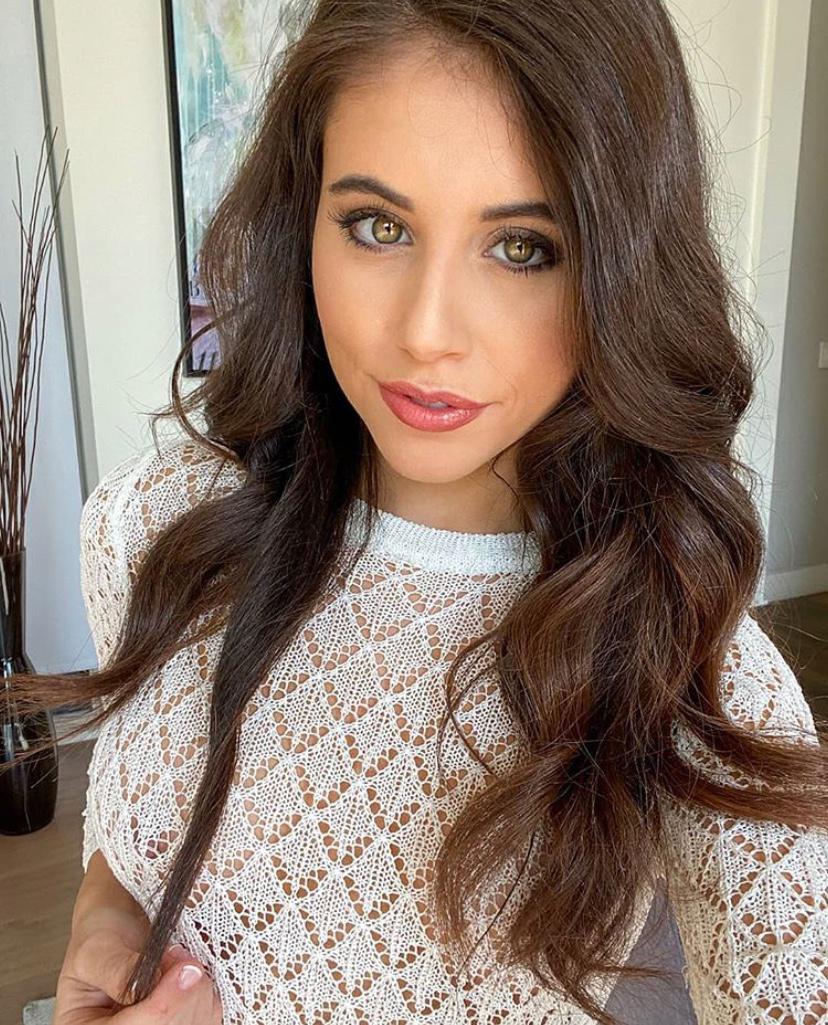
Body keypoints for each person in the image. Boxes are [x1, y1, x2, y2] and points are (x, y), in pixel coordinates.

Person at [7, 1, 827, 1023]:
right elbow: (133, 839)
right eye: (378, 226)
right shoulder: (158, 524)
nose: (427, 331)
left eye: (523, 247)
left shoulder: (686, 663)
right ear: (304, 218)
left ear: (624, 271)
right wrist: (106, 918)